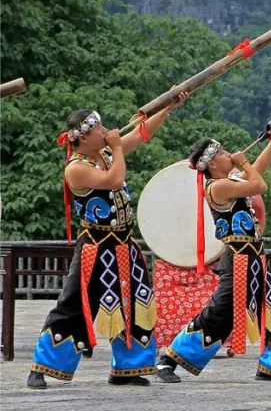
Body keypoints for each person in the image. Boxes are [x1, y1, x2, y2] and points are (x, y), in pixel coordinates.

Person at [27, 93, 190, 389]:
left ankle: (128, 368)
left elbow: (142, 134)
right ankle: (42, 366)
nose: (105, 133)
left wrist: (168, 107)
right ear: (84, 137)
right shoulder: (76, 167)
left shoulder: (103, 154)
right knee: (73, 304)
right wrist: (115, 146)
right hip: (95, 247)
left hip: (123, 245)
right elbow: (115, 180)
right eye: (99, 130)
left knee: (135, 302)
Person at [156, 118, 271, 382]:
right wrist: (243, 162)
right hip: (239, 259)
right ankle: (168, 359)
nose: (227, 154)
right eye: (221, 153)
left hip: (254, 257)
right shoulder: (218, 186)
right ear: (211, 163)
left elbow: (258, 171)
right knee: (219, 315)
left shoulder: (229, 180)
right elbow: (259, 185)